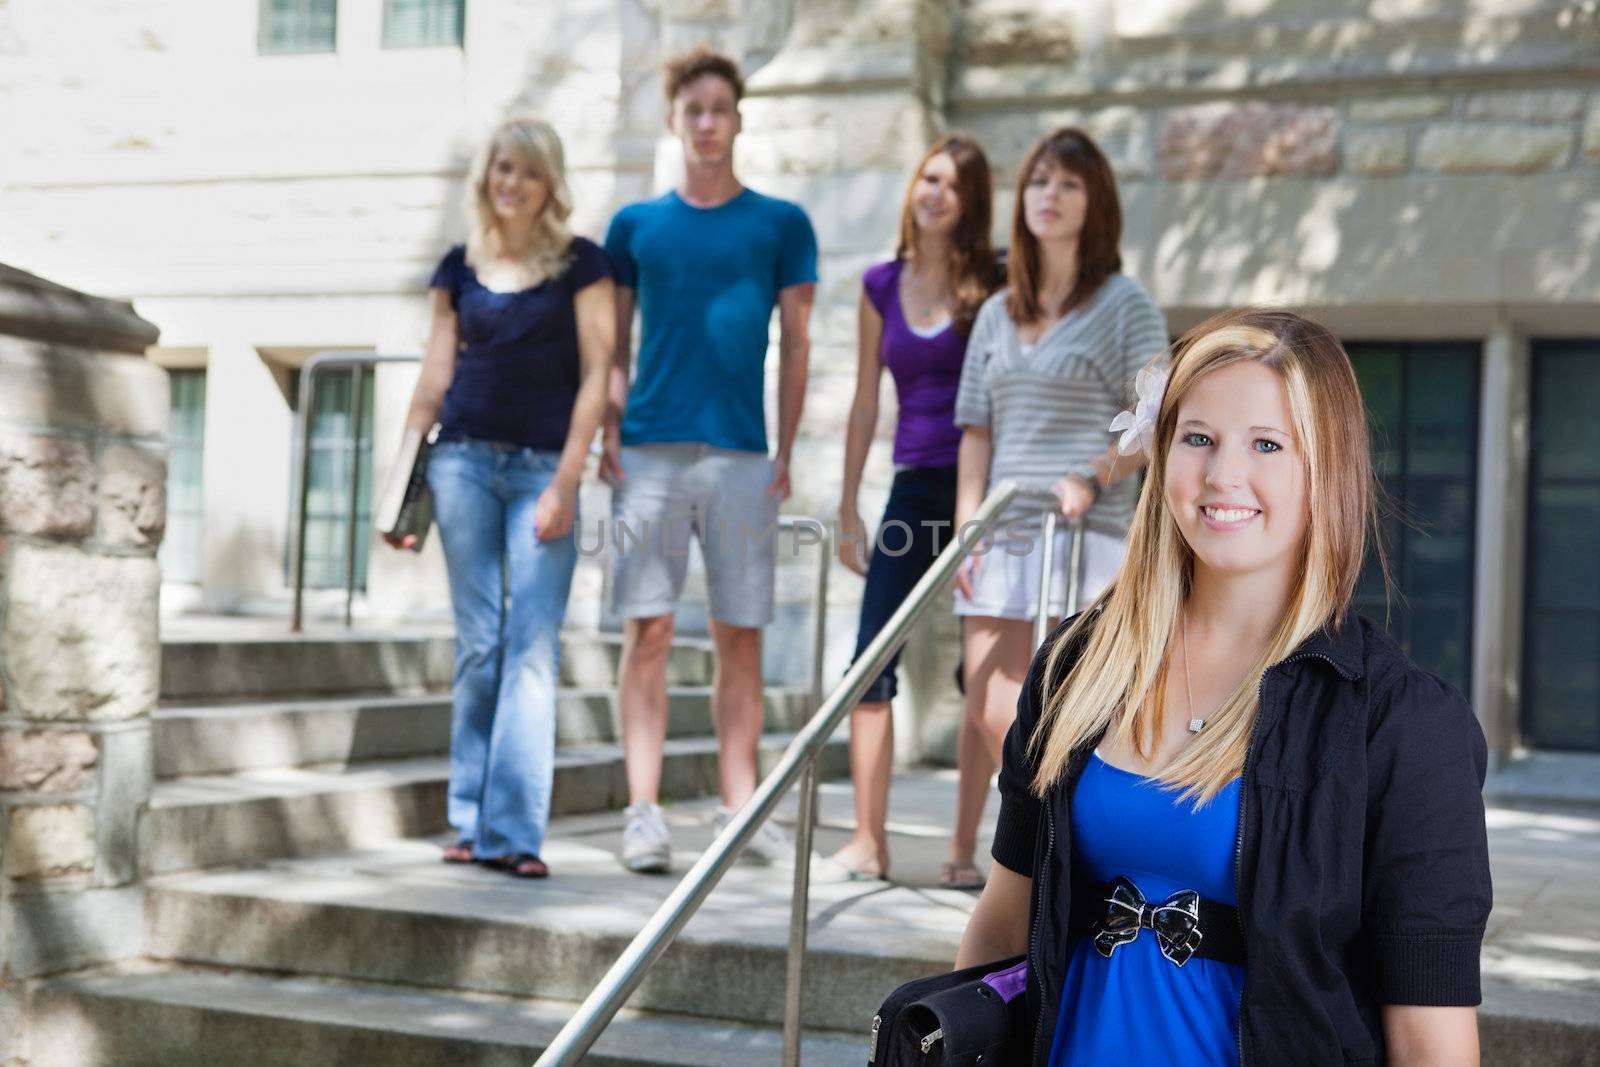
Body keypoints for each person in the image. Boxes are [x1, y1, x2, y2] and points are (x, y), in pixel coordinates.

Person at [954, 307, 1491, 1065]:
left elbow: (1432, 1043)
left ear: (1326, 472)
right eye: (1197, 437)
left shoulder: (1403, 726)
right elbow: (999, 931)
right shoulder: (1076, 666)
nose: (1220, 475)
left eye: (1266, 444)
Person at [601, 46, 818, 874]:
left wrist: (787, 446)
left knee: (741, 636)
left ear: (736, 119)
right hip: (649, 452)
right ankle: (643, 812)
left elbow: (797, 344)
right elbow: (612, 342)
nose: (705, 124)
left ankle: (740, 811)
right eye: (691, 110)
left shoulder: (781, 224)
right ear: (674, 120)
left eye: (718, 110)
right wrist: (610, 429)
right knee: (647, 631)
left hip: (739, 453)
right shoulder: (635, 227)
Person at [387, 116, 614, 880]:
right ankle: (467, 819)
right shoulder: (458, 266)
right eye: (502, 169)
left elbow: (598, 373)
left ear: (550, 184)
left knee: (532, 646)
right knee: (480, 641)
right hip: (461, 463)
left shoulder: (584, 264)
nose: (511, 183)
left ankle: (513, 832)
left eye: (527, 171)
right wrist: (399, 493)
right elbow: (433, 379)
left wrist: (567, 477)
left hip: (543, 468)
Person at [944, 127, 1168, 890]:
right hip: (1002, 532)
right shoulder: (998, 312)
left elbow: (1155, 416)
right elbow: (975, 429)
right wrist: (965, 531)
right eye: (1038, 180)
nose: (1049, 193)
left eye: (1068, 183)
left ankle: (1064, 862)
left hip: (1083, 536)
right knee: (988, 700)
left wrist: (1095, 475)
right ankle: (1051, 840)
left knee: (1080, 702)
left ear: (1094, 201)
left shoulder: (1122, 302)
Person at [827, 134, 999, 883]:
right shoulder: (877, 284)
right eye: (928, 178)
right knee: (871, 663)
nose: (934, 193)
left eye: (953, 186)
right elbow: (867, 400)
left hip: (981, 489)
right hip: (910, 488)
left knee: (981, 670)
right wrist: (845, 502)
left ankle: (965, 850)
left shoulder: (992, 283)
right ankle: (869, 840)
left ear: (970, 205)